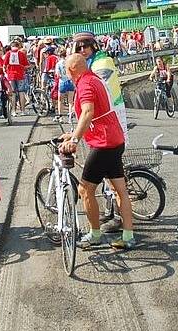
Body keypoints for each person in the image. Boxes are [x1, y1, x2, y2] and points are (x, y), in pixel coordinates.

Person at [60, 53, 135, 249]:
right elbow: (96, 115)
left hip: (103, 143)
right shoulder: (95, 79)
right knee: (120, 190)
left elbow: (88, 112)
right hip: (115, 139)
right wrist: (74, 133)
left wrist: (75, 140)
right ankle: (128, 236)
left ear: (71, 71)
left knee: (85, 189)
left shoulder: (84, 84)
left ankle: (94, 234)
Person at [72, 31, 129, 232]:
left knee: (87, 188)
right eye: (78, 47)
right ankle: (126, 231)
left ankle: (100, 228)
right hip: (108, 127)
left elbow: (91, 108)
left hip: (106, 127)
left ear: (93, 45)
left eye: (85, 46)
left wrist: (74, 138)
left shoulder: (100, 64)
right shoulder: (92, 66)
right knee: (116, 185)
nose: (82, 50)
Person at [3, 41, 29, 116]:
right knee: (21, 92)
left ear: (11, 46)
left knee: (13, 93)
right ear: (18, 46)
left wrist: (6, 71)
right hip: (20, 75)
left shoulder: (8, 54)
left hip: (11, 75)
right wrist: (24, 68)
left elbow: (4, 65)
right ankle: (23, 111)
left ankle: (13, 111)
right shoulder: (21, 54)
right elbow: (26, 65)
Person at [54, 47, 74, 117]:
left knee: (60, 101)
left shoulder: (58, 64)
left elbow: (58, 75)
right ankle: (70, 116)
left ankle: (60, 116)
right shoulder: (69, 62)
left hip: (62, 82)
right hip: (70, 82)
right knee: (70, 101)